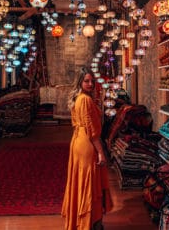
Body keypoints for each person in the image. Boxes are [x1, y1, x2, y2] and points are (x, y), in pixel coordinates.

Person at [61, 67, 113, 230]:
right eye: (86, 81)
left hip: (78, 141)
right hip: (87, 144)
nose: (90, 84)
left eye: (92, 81)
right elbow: (92, 131)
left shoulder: (79, 98)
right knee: (89, 183)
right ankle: (90, 223)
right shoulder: (85, 100)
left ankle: (87, 221)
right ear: (80, 82)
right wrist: (101, 152)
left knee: (83, 182)